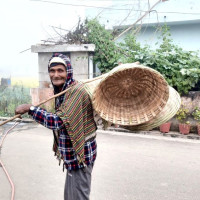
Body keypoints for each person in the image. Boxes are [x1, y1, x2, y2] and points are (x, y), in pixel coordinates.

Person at [15, 53, 97, 200]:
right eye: (52, 71)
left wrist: (30, 108)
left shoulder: (76, 91)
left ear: (68, 72)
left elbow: (58, 121)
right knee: (70, 197)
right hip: (73, 157)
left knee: (78, 197)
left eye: (60, 70)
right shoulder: (63, 91)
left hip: (80, 156)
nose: (56, 74)